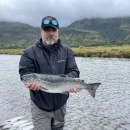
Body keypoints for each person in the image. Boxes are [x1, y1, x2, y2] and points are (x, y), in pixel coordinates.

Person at [19, 16, 80, 130]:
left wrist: (71, 81)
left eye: (54, 30)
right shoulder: (29, 53)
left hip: (61, 105)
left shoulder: (67, 52)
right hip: (40, 105)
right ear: (41, 31)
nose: (51, 33)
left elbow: (74, 71)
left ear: (58, 32)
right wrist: (31, 84)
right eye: (47, 30)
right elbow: (25, 73)